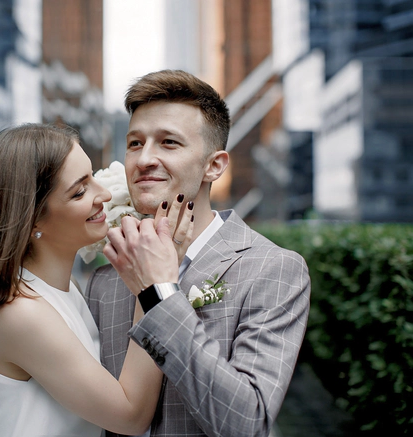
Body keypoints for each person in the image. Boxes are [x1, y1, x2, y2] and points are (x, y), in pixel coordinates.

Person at [86, 70, 311, 437]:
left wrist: (159, 293)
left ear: (214, 165)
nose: (144, 159)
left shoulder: (273, 269)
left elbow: (247, 424)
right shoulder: (105, 279)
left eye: (169, 143)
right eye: (134, 143)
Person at [0, 123, 194, 437]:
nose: (105, 194)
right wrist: (153, 286)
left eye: (92, 177)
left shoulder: (61, 289)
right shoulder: (21, 313)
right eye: (80, 191)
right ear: (32, 218)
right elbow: (131, 416)